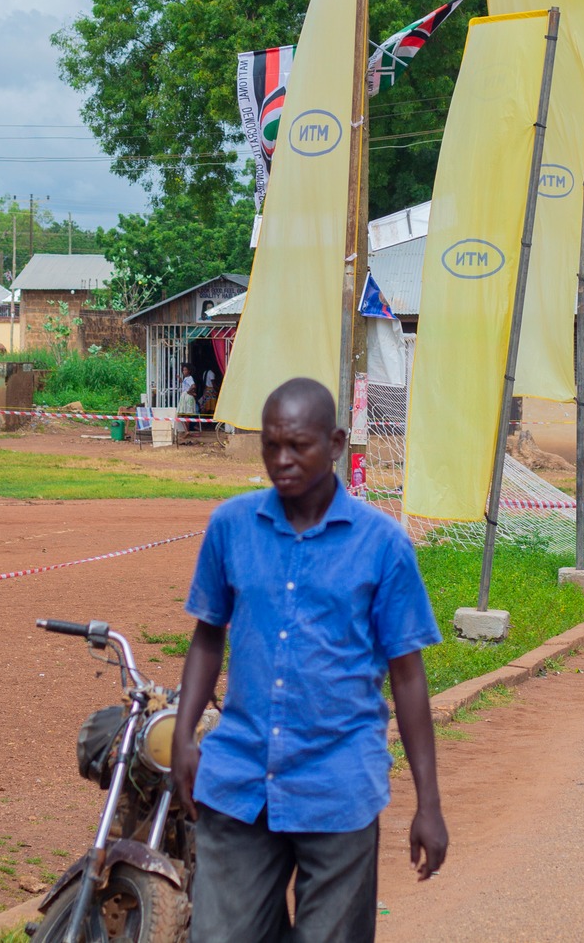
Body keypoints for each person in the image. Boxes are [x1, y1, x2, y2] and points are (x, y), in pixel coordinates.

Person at [171, 377, 447, 943]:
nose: (282, 459)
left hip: (337, 785)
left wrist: (429, 804)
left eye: (299, 445)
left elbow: (408, 677)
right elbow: (206, 636)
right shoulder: (231, 526)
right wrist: (182, 735)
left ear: (337, 443)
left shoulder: (382, 545)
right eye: (272, 445)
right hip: (239, 779)